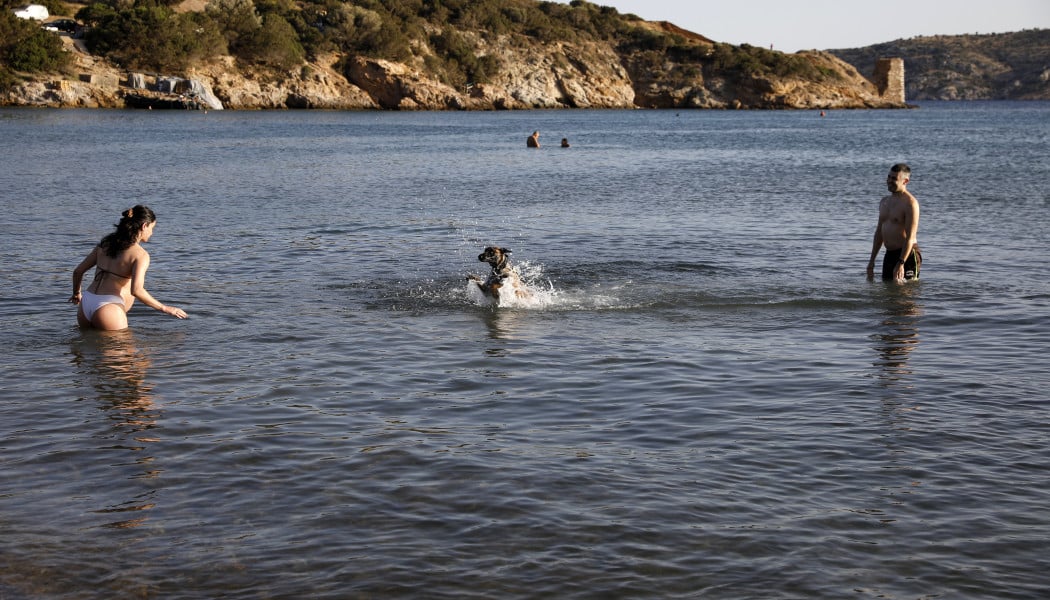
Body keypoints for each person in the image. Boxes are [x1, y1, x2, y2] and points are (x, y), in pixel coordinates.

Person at [70, 205, 188, 330]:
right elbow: (136, 290)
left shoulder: (105, 245)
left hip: (86, 303)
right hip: (109, 308)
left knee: (84, 347)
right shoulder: (140, 255)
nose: (152, 232)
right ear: (144, 226)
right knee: (126, 348)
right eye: (152, 228)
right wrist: (165, 308)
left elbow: (78, 272)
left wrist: (77, 293)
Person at [867, 163, 921, 282]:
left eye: (894, 179)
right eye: (889, 177)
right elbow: (879, 233)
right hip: (889, 254)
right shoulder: (884, 202)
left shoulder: (910, 204)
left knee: (905, 296)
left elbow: (910, 238)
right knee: (887, 294)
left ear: (905, 181)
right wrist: (871, 261)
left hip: (907, 255)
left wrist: (901, 262)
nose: (889, 181)